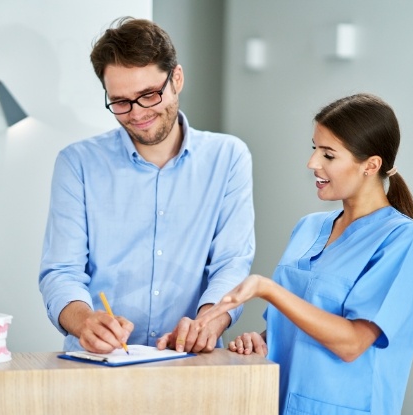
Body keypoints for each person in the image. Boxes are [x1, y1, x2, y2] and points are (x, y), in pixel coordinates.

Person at [195, 93, 413, 415]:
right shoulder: (308, 228)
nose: (312, 164)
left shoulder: (403, 240)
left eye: (329, 155)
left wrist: (268, 289)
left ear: (371, 165)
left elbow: (352, 344)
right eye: (314, 149)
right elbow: (298, 324)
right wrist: (262, 340)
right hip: (276, 403)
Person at [38, 17, 255, 354]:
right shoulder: (77, 163)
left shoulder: (228, 157)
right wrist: (84, 321)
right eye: (120, 102)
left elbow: (232, 263)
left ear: (177, 79)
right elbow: (61, 271)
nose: (137, 113)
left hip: (190, 360)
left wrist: (208, 322)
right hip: (98, 363)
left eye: (149, 95)